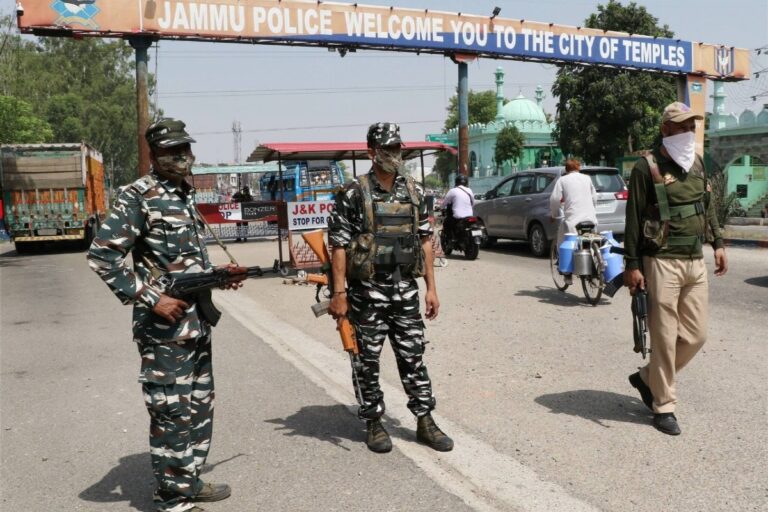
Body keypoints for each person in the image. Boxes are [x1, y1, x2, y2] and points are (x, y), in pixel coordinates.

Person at [87, 118, 246, 512]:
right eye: (172, 152)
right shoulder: (137, 196)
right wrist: (150, 298)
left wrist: (220, 277)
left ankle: (187, 481)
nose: (182, 157)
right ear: (155, 156)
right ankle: (173, 497)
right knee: (171, 411)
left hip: (196, 324)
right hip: (164, 328)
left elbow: (181, 262)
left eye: (186, 150)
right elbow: (102, 255)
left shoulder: (183, 194)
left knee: (198, 405)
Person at [327, 122, 452, 454]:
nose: (395, 156)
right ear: (372, 153)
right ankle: (373, 422)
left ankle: (425, 421)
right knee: (367, 360)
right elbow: (338, 246)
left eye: (398, 149)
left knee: (414, 356)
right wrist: (339, 295)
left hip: (404, 289)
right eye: (388, 150)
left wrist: (431, 288)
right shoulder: (354, 193)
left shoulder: (414, 190)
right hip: (366, 292)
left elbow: (425, 241)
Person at [624, 102, 728, 436]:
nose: (688, 132)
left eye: (692, 126)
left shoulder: (696, 163)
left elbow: (707, 205)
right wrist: (632, 265)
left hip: (694, 260)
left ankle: (646, 378)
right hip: (661, 261)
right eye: (681, 127)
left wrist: (720, 242)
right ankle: (663, 405)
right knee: (665, 337)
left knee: (696, 335)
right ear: (665, 130)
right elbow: (633, 219)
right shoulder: (646, 167)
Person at [549, 159, 597, 283]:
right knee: (590, 241)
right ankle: (595, 265)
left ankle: (567, 273)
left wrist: (554, 214)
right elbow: (594, 197)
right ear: (578, 168)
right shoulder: (587, 178)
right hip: (591, 219)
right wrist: (592, 210)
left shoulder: (562, 180)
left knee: (563, 240)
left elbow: (554, 199)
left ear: (566, 169)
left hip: (573, 221)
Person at [441, 174, 475, 240]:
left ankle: (451, 239)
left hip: (458, 217)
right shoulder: (469, 190)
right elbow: (473, 203)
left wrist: (441, 207)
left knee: (446, 223)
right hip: (470, 216)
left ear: (456, 182)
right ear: (466, 182)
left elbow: (444, 204)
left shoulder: (452, 191)